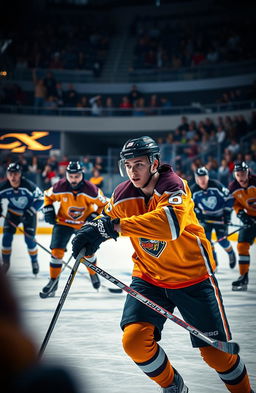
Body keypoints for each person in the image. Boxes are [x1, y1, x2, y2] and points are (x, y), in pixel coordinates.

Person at [71, 136, 254, 393]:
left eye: (139, 164)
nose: (133, 172)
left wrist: (112, 227)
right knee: (134, 342)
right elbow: (106, 217)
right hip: (149, 278)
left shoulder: (175, 186)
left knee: (217, 357)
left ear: (154, 163)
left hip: (193, 279)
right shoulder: (122, 194)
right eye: (128, 165)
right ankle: (173, 386)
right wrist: (90, 233)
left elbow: (169, 226)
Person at [41, 161, 108, 297]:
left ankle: (93, 274)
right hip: (63, 223)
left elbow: (105, 204)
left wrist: (95, 215)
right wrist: (48, 209)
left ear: (82, 175)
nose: (73, 179)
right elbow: (47, 196)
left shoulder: (92, 190)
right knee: (56, 252)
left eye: (77, 176)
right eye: (71, 176)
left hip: (84, 225)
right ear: (66, 175)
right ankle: (53, 282)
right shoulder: (59, 186)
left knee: (88, 254)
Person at [0, 163, 43, 275]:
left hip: (28, 214)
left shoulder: (28, 186)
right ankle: (5, 263)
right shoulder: (4, 186)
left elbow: (41, 199)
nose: (13, 177)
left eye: (16, 173)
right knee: (6, 238)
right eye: (10, 174)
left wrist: (30, 211)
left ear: (20, 174)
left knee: (29, 240)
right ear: (7, 175)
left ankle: (34, 261)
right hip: (12, 214)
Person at [190, 166, 236, 269]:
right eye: (200, 178)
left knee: (222, 240)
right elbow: (191, 205)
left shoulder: (216, 185)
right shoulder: (193, 190)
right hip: (206, 219)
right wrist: (198, 214)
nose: (202, 180)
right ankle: (213, 261)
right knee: (206, 241)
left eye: (204, 177)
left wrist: (227, 214)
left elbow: (229, 198)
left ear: (208, 177)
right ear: (196, 179)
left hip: (220, 217)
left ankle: (231, 253)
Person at [228, 161, 256, 291]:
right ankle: (243, 276)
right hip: (250, 218)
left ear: (248, 173)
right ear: (235, 175)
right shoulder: (233, 187)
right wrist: (241, 214)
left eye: (243, 174)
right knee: (242, 246)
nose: (241, 177)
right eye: (238, 174)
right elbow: (235, 204)